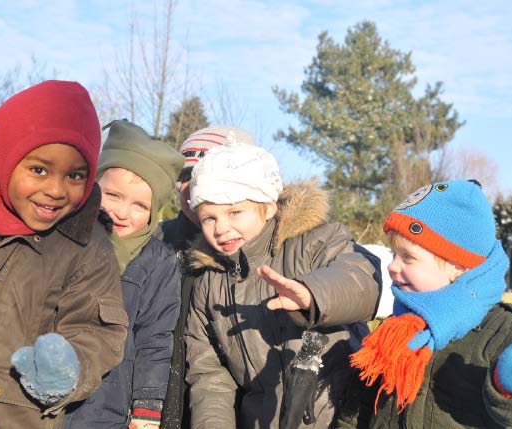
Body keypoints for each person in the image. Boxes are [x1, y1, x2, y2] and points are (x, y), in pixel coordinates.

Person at [0, 80, 128, 428]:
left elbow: (97, 331)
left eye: (75, 175)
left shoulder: (87, 246)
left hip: (9, 417)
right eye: (39, 170)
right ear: (5, 156)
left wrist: (69, 367)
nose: (56, 190)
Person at [341, 180, 512, 429]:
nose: (392, 266)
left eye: (408, 257)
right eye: (394, 254)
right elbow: (357, 410)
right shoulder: (396, 329)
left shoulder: (504, 332)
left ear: (457, 266)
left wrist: (510, 390)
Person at [183, 142, 381, 428]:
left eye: (235, 212)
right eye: (209, 218)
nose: (221, 228)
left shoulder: (314, 243)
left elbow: (364, 281)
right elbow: (210, 373)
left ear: (268, 208)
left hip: (338, 417)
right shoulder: (209, 283)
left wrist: (314, 295)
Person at [63, 120, 183, 429]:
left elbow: (155, 339)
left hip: (108, 405)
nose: (123, 212)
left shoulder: (158, 262)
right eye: (113, 195)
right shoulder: (63, 238)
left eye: (140, 205)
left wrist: (146, 407)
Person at [158, 125, 255, 429]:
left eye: (202, 174)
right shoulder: (158, 242)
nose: (191, 188)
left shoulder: (265, 250)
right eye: (185, 176)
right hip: (160, 400)